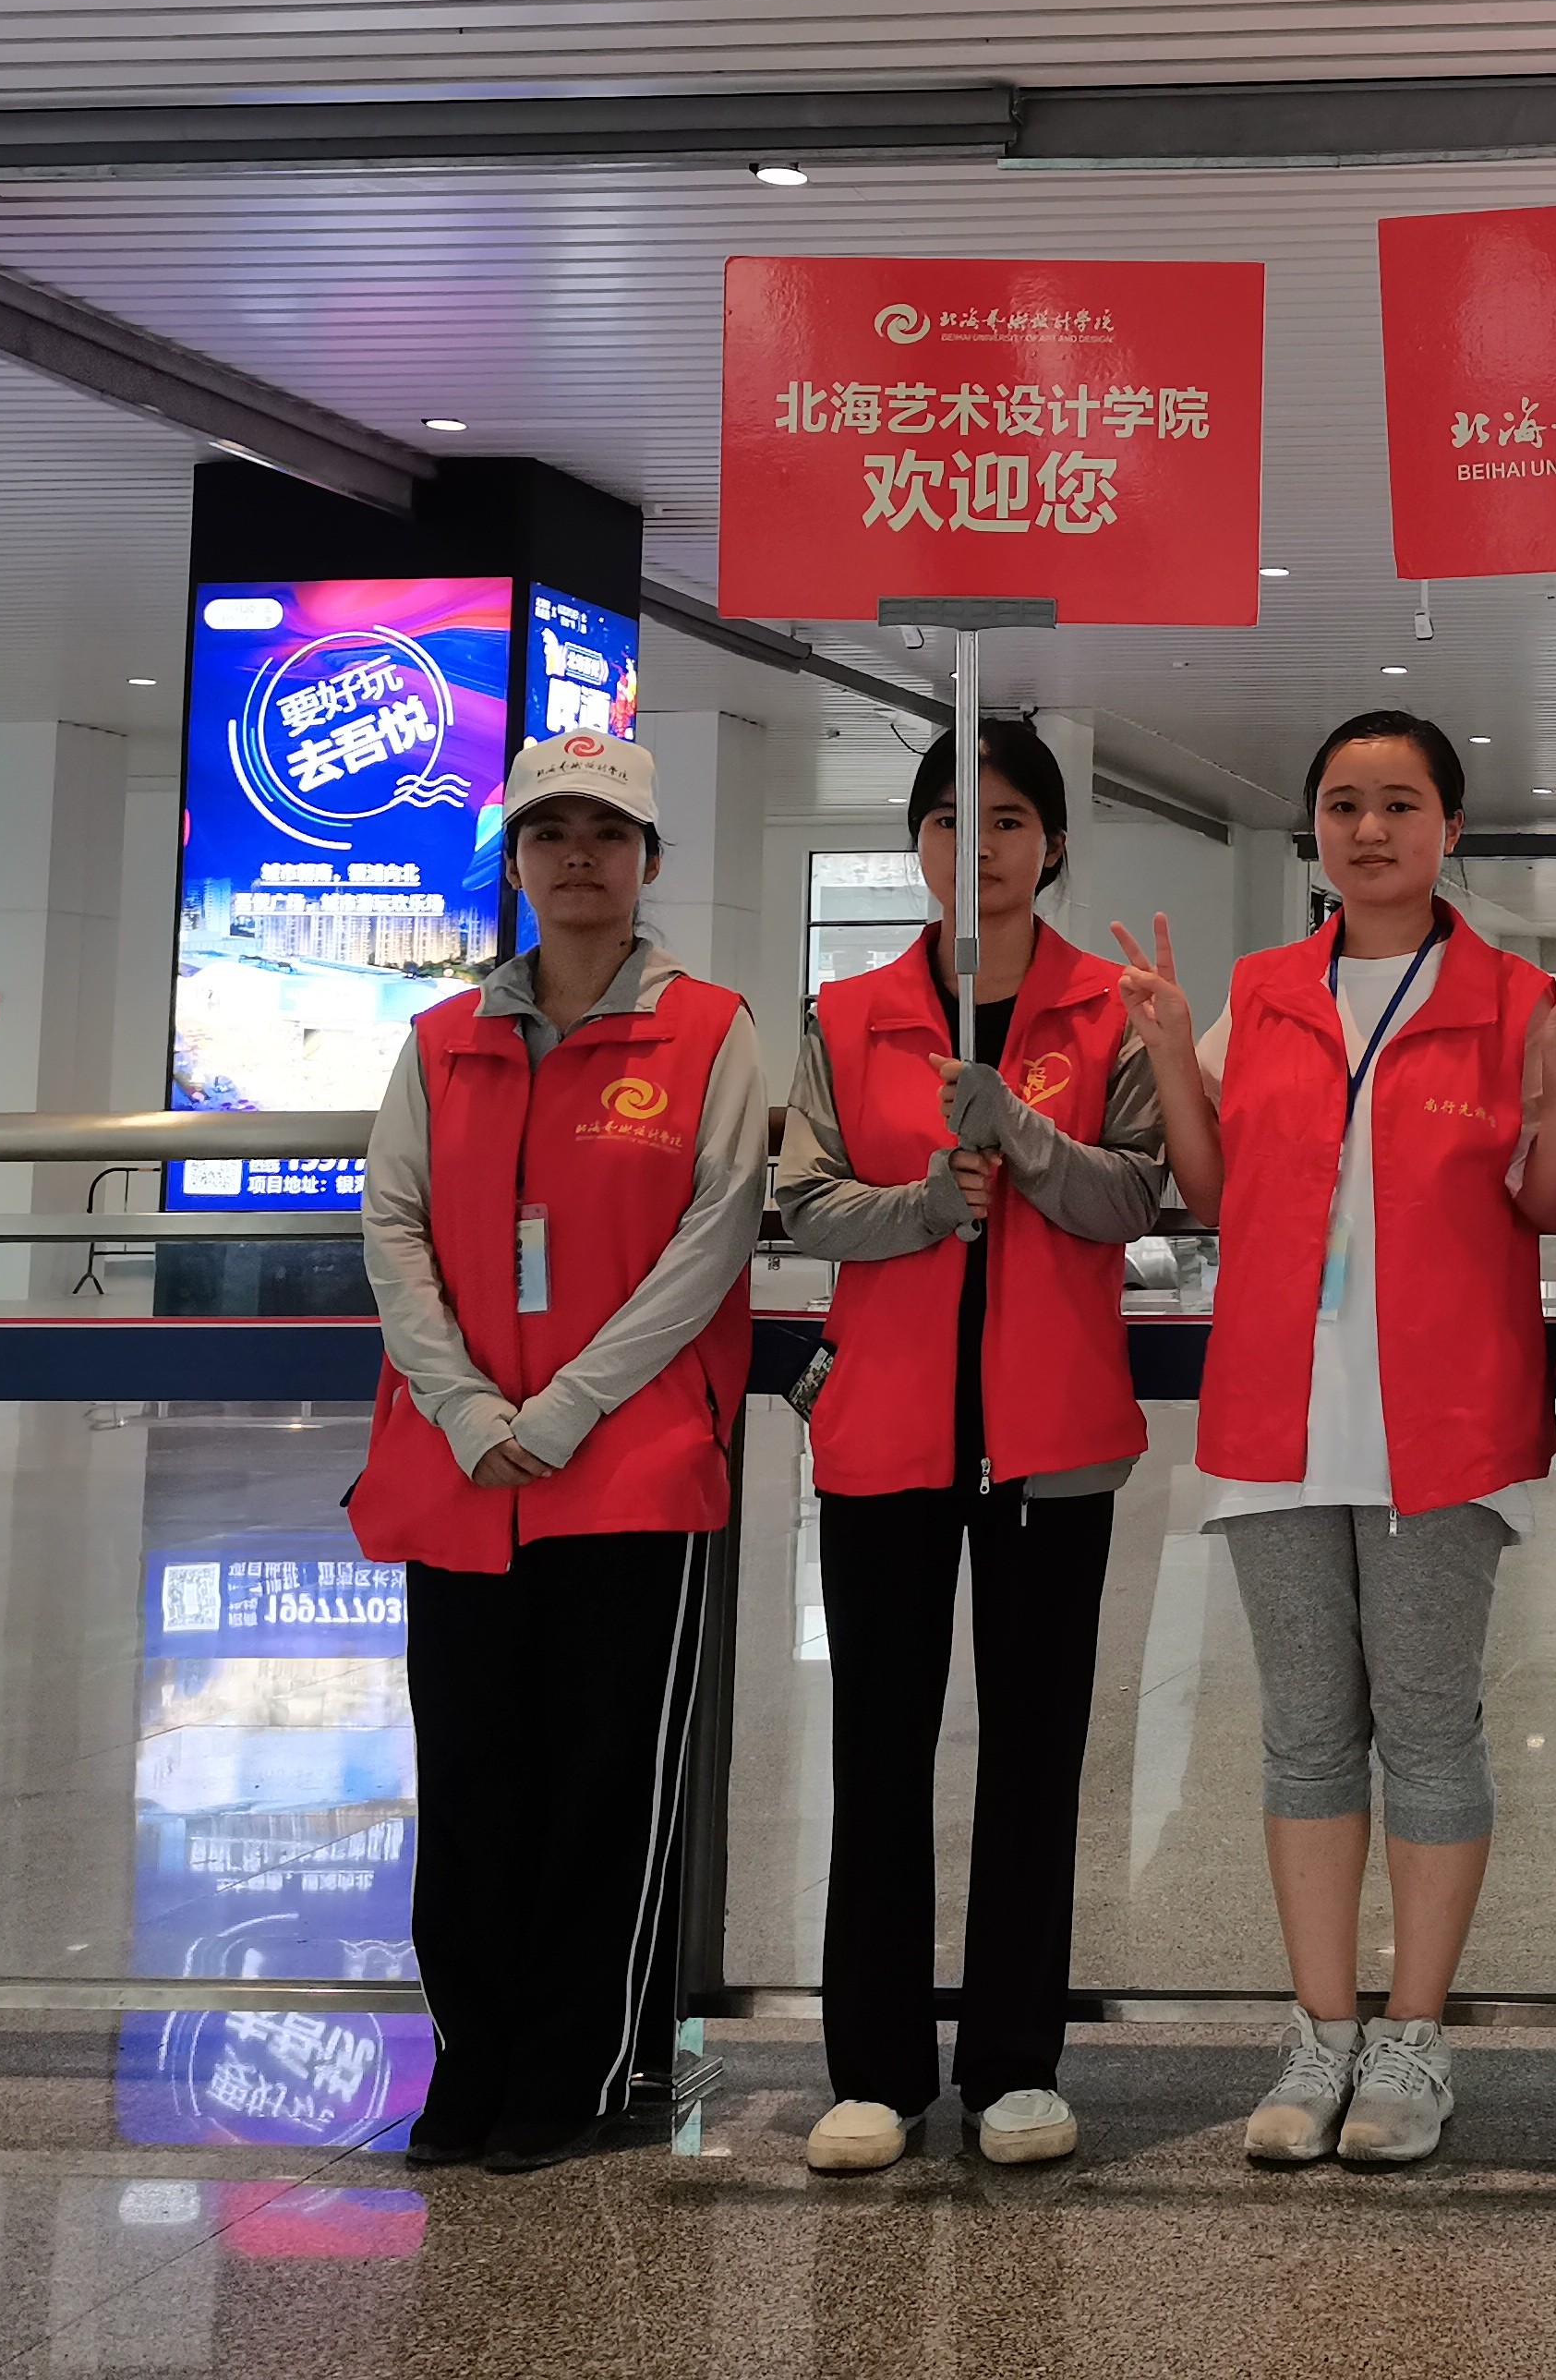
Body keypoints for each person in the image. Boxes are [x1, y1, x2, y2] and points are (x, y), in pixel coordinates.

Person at [1110, 710, 1556, 2171]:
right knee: (1306, 1729)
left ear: (1452, 828)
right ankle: (1321, 2033)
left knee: (1432, 1723)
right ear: (1316, 831)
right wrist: (1172, 1057)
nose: (1371, 829)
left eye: (1400, 804)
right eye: (1344, 804)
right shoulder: (1263, 991)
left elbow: (1548, 1202)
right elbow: (1213, 1192)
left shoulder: (1517, 996)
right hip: (1278, 1409)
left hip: (1440, 1416)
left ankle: (1414, 2039)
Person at [349, 732, 766, 2174]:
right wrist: (467, 1407)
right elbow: (392, 1226)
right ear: (516, 863)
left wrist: (575, 1403)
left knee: (607, 1779)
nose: (579, 856)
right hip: (464, 1468)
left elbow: (714, 1233)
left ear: (648, 860)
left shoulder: (707, 1031)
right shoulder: (439, 1041)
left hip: (630, 1459)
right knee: (470, 1775)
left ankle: (582, 2065)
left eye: (608, 832)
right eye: (550, 832)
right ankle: (472, 2058)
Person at [773, 715, 1167, 2176]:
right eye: (952, 818)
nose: (979, 845)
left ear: (1052, 844)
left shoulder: (1105, 1013)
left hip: (1050, 1439)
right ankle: (874, 2070)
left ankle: (1014, 2064)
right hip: (887, 1433)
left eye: (1009, 820)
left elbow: (1136, 1196)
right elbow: (807, 1203)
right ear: (919, 843)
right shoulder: (849, 1016)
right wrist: (931, 1205)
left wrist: (1027, 1139)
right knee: (878, 1754)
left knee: (1035, 1757)